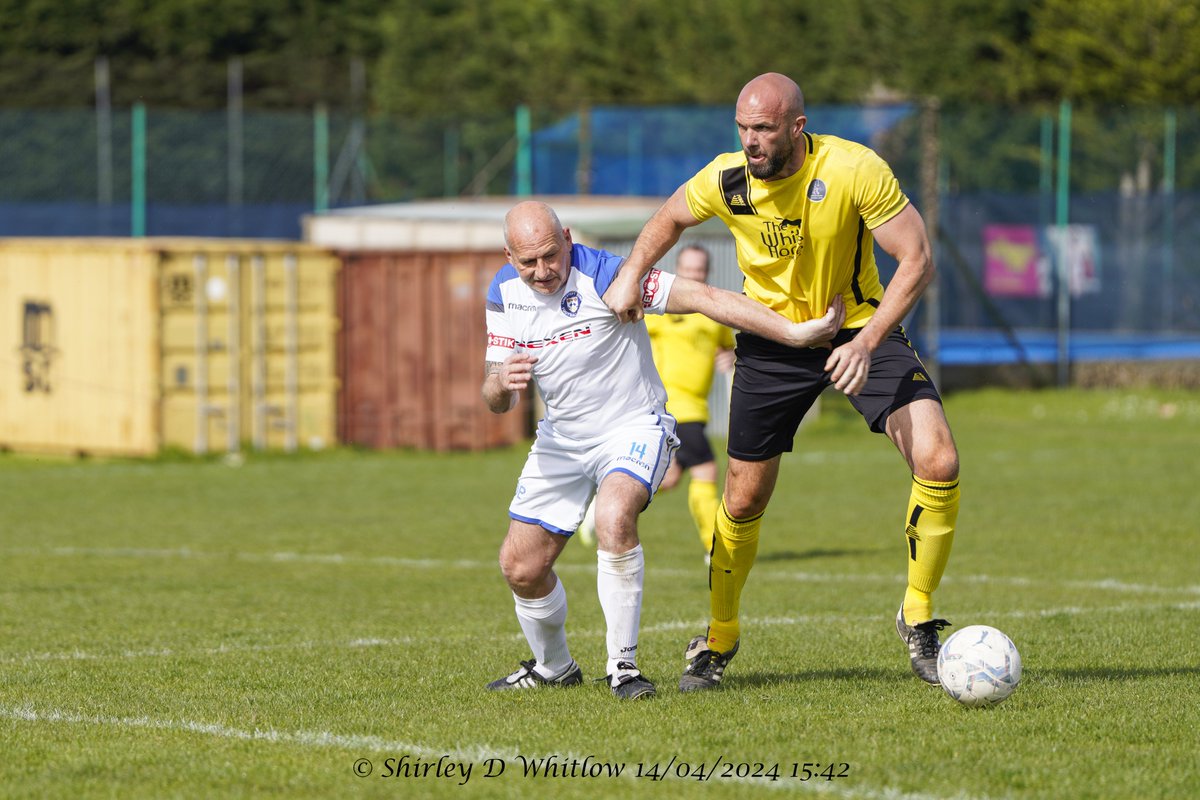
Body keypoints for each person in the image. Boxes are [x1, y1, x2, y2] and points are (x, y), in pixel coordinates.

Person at [603, 73, 962, 690]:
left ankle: (919, 614)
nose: (750, 141)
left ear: (797, 127)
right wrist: (632, 271)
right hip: (771, 343)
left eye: (764, 129)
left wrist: (868, 341)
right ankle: (719, 635)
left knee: (939, 458)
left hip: (858, 329)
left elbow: (918, 257)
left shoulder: (853, 168)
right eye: (743, 128)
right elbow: (670, 217)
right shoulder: (727, 178)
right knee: (743, 499)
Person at [482, 200, 843, 700]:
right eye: (529, 262)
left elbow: (703, 296)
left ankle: (623, 667)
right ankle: (554, 667)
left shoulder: (609, 275)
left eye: (550, 255)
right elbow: (495, 398)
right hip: (561, 439)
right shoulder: (502, 292)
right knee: (520, 567)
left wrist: (793, 333)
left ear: (567, 238)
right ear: (509, 256)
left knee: (613, 517)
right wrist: (502, 382)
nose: (543, 271)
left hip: (632, 426)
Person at [643, 245, 735, 556]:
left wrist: (730, 356)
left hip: (697, 407)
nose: (694, 275)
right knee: (706, 470)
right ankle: (715, 548)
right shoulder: (660, 310)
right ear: (678, 270)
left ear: (706, 272)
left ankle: (606, 504)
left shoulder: (715, 312)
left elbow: (727, 348)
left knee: (668, 478)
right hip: (672, 406)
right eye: (688, 269)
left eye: (699, 269)